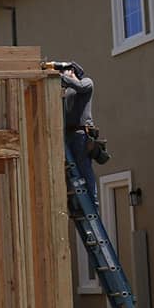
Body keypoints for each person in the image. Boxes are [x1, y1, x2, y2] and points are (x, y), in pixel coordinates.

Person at [56, 61, 99, 208]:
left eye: (66, 71)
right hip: (68, 134)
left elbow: (79, 87)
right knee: (71, 173)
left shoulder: (86, 83)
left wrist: (60, 75)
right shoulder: (66, 91)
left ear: (72, 71)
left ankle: (93, 204)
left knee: (84, 168)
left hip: (81, 133)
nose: (63, 74)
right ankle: (76, 204)